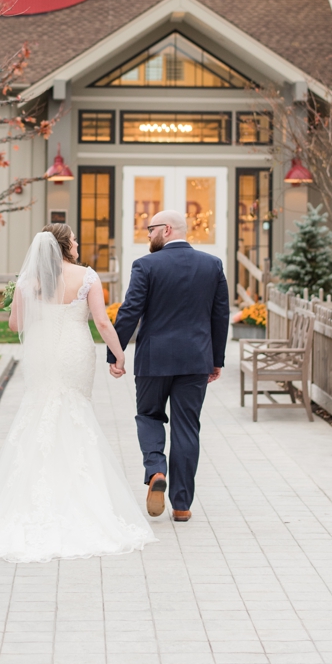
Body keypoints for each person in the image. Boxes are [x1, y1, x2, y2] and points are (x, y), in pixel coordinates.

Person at [0, 224, 156, 563]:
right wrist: (118, 354)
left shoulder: (30, 281)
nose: (76, 242)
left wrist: (21, 297)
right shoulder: (87, 277)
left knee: (41, 409)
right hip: (73, 348)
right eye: (73, 238)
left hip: (42, 350)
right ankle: (79, 498)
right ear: (64, 245)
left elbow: (16, 326)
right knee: (74, 411)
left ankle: (32, 498)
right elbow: (101, 323)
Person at [112, 208, 230, 523]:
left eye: (150, 229)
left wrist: (116, 353)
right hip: (195, 360)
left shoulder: (146, 265)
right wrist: (216, 359)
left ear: (166, 230)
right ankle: (181, 505)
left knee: (148, 416)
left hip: (154, 360)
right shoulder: (212, 265)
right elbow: (220, 316)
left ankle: (155, 471)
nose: (147, 235)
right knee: (187, 428)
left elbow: (130, 311)